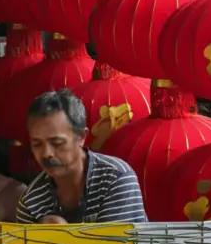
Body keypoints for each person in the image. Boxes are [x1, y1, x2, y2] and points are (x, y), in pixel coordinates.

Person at [16, 89, 147, 224]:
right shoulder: (30, 202)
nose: (46, 153)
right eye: (37, 144)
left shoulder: (116, 178)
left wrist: (63, 237)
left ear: (81, 137)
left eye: (57, 143)